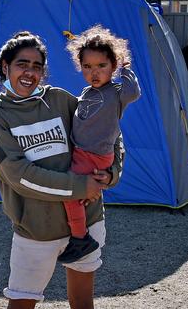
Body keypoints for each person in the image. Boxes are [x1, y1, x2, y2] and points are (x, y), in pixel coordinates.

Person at [0, 31, 124, 309]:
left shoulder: (58, 100)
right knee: (22, 303)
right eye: (22, 64)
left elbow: (106, 129)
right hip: (37, 227)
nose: (29, 72)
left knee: (82, 302)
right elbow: (18, 176)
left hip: (87, 219)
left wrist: (112, 171)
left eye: (37, 66)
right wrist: (81, 186)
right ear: (5, 67)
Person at [59, 25, 141, 264]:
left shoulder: (117, 93)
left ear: (112, 66)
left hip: (95, 156)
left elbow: (134, 92)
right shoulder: (86, 92)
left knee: (71, 193)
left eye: (102, 66)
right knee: (79, 193)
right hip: (82, 153)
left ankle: (80, 238)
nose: (94, 73)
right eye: (87, 67)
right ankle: (78, 230)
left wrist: (126, 69)